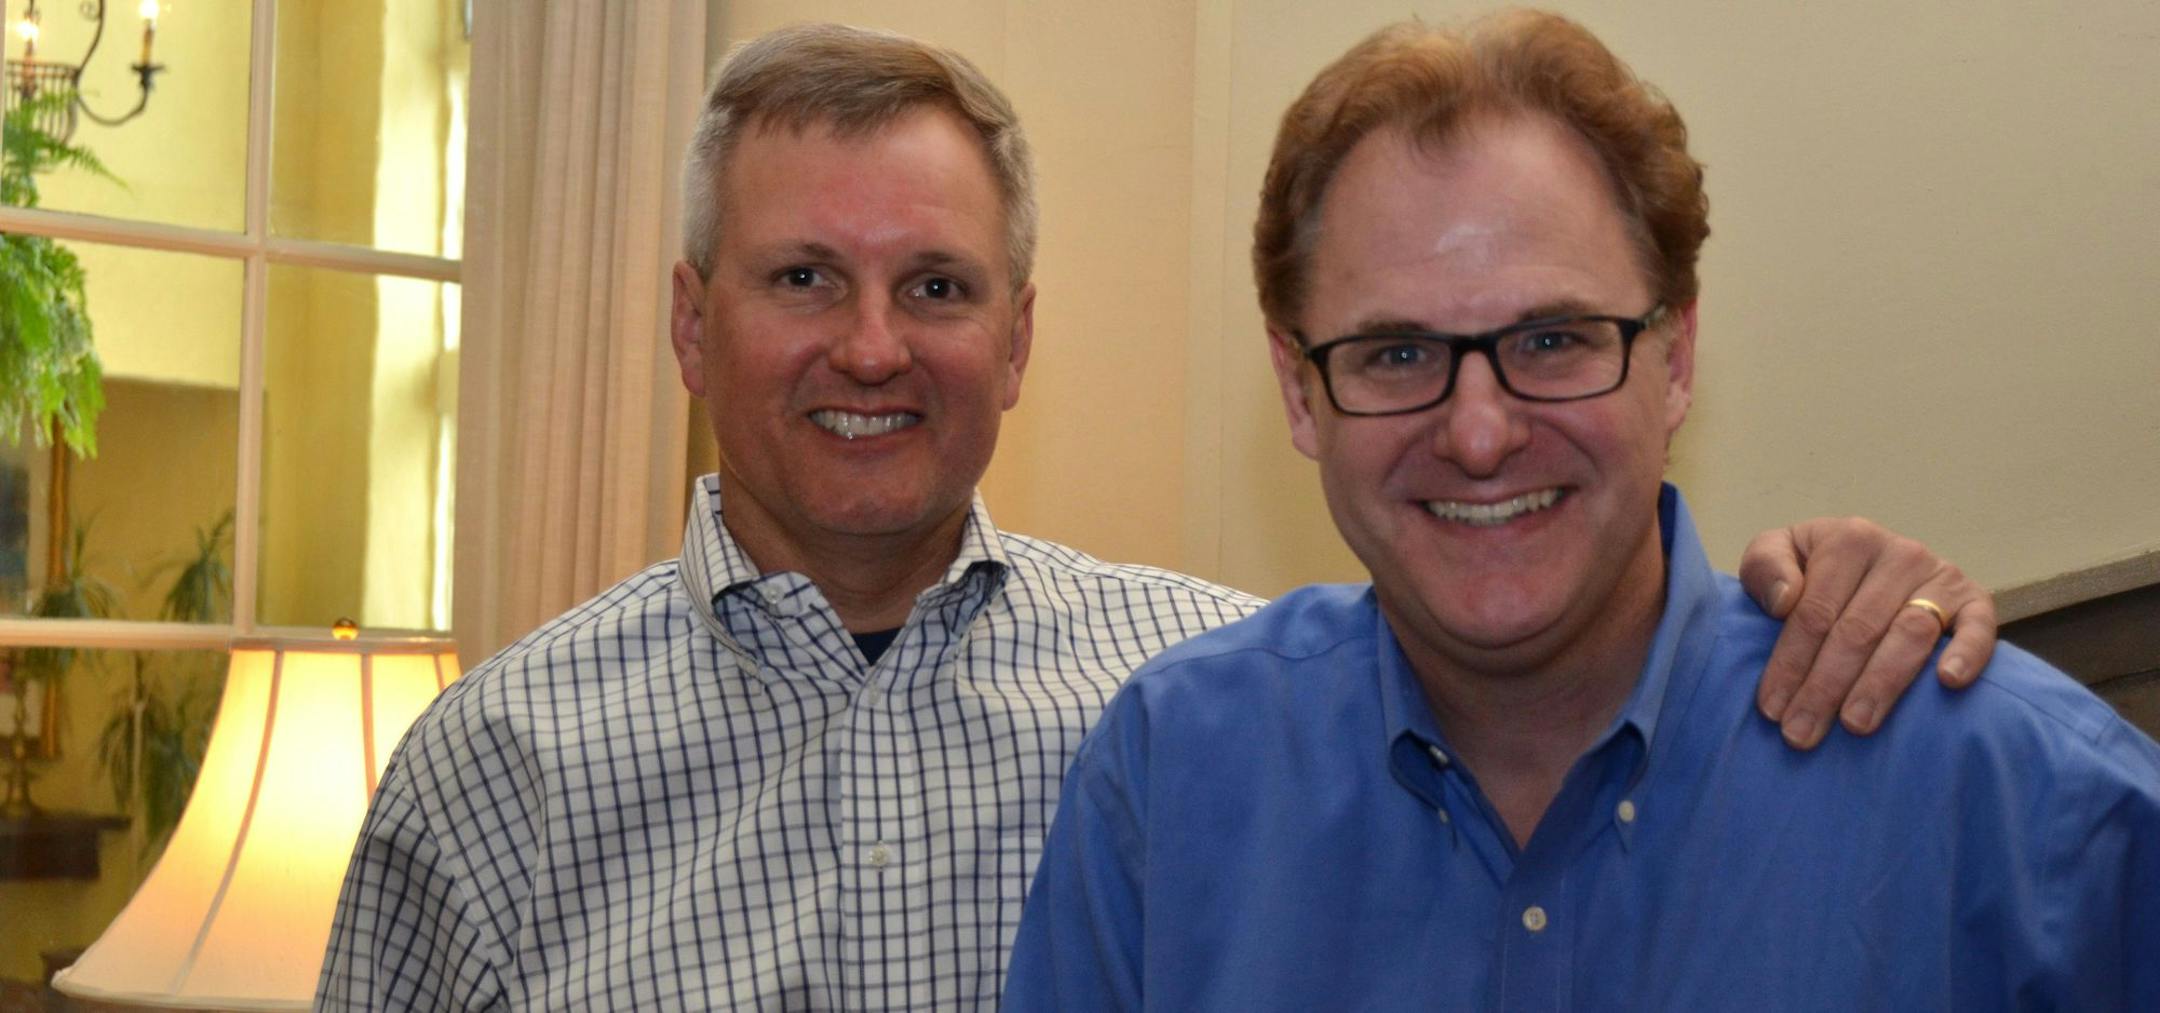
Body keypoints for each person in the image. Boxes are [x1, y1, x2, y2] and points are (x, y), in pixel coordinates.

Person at [317, 22, 2003, 1010]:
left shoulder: (1219, 708)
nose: (875, 344)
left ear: (1021, 337)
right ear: (693, 323)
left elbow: (1551, 625)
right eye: (802, 277)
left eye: (942, 284)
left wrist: (1871, 596)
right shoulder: (494, 775)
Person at [1003, 11, 2160, 1010]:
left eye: (1553, 339)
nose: (1480, 431)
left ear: (1680, 355)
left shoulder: (2012, 796)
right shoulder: (1169, 783)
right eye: (1396, 351)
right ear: (1301, 391)